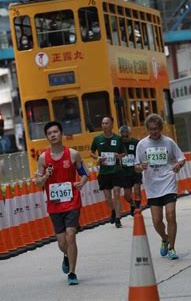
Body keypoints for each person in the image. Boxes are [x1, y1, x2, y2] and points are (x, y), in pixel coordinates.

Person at [35, 121, 89, 286]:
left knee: (71, 235)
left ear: (61, 133)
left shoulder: (72, 154)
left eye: (55, 132)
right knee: (62, 242)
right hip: (55, 205)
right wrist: (45, 177)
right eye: (50, 133)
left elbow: (84, 172)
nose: (53, 135)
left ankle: (72, 272)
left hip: (72, 201)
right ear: (47, 137)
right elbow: (37, 182)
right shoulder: (43, 158)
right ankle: (66, 255)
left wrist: (82, 182)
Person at [135, 114, 185, 260]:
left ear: (161, 128)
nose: (153, 132)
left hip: (168, 182)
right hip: (152, 186)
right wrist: (140, 167)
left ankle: (172, 248)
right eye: (150, 129)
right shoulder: (142, 145)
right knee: (157, 220)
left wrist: (178, 165)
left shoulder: (168, 142)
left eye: (156, 129)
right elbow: (136, 167)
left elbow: (182, 159)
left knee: (171, 215)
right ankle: (165, 238)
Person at [90, 116, 126, 228]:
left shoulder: (118, 138)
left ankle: (118, 219)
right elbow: (91, 153)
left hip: (116, 170)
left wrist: (118, 156)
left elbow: (124, 153)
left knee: (116, 193)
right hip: (104, 172)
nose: (104, 125)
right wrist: (97, 158)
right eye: (102, 123)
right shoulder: (97, 139)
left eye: (106, 123)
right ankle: (114, 211)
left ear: (112, 125)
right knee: (107, 197)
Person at [119, 125, 142, 216]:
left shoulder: (136, 143)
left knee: (137, 189)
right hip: (124, 172)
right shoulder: (119, 144)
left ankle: (137, 209)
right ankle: (132, 204)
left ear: (130, 134)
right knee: (127, 195)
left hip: (135, 170)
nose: (124, 138)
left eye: (126, 136)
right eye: (123, 136)